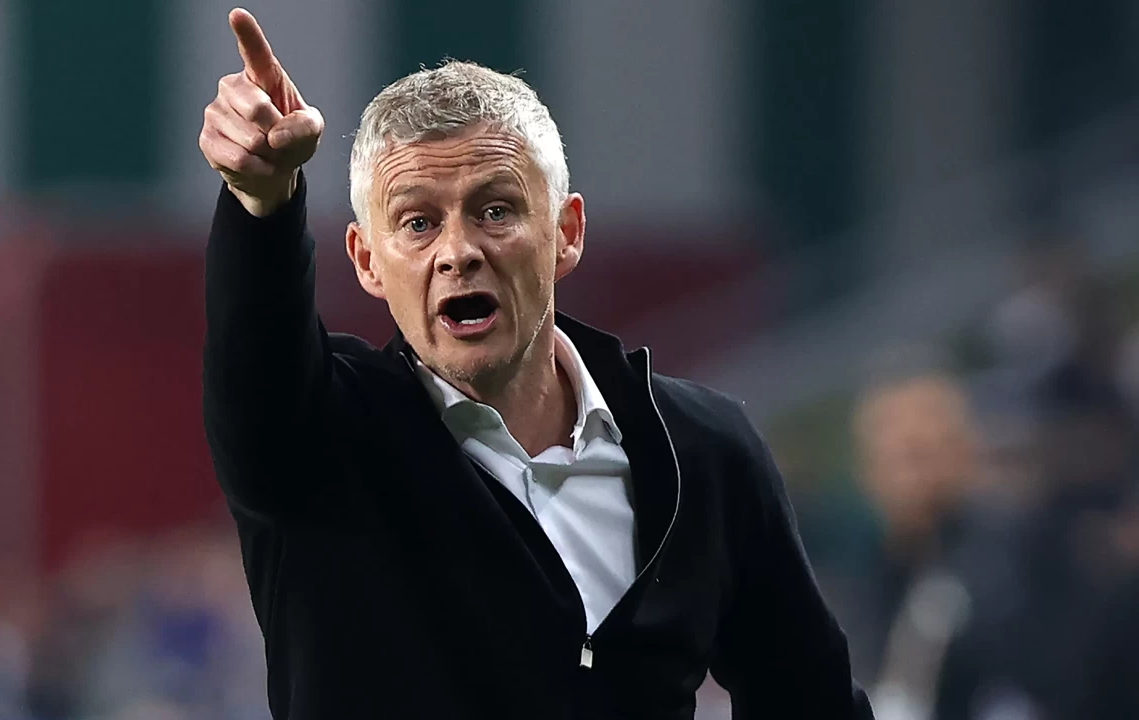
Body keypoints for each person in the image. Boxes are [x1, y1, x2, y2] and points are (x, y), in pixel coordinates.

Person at [199, 8, 873, 719]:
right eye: (418, 223)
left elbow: (812, 702)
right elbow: (256, 366)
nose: (458, 252)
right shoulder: (322, 436)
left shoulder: (704, 451)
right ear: (367, 260)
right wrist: (262, 203)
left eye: (495, 211)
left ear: (566, 233)